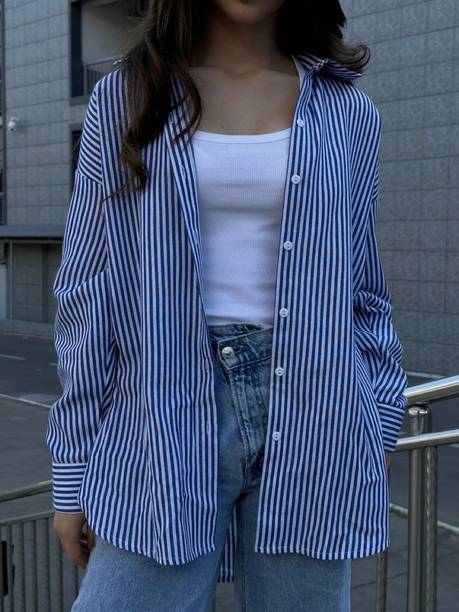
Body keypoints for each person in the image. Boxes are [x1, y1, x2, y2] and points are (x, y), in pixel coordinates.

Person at [47, 1, 409, 610]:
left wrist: (379, 416)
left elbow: (364, 284)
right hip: (163, 416)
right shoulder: (126, 98)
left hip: (319, 417)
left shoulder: (347, 111)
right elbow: (87, 289)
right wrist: (73, 469)